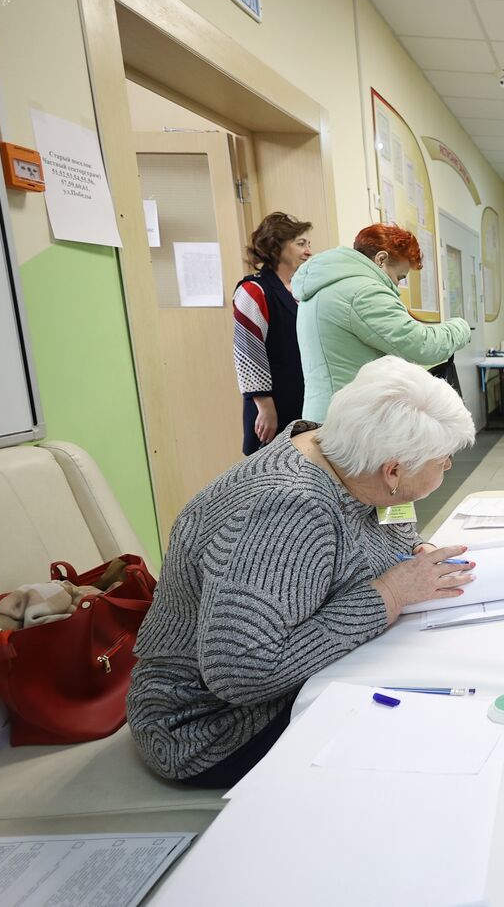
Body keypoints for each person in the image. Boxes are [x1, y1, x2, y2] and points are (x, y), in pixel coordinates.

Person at [128, 356, 477, 787]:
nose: (446, 467)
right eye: (442, 460)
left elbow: (389, 513)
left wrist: (416, 549)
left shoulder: (340, 448)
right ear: (393, 470)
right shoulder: (289, 509)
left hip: (286, 681)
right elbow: (241, 673)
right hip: (209, 726)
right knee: (431, 740)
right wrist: (390, 593)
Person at [296, 224, 471, 422]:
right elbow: (423, 345)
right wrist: (460, 326)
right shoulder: (363, 292)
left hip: (326, 412)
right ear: (381, 259)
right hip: (352, 422)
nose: (396, 286)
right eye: (399, 277)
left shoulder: (323, 285)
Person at [232, 212, 313, 455]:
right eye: (301, 244)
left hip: (302, 398)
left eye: (309, 244)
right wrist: (265, 406)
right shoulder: (253, 290)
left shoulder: (303, 290)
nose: (309, 251)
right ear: (276, 246)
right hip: (271, 404)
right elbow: (248, 353)